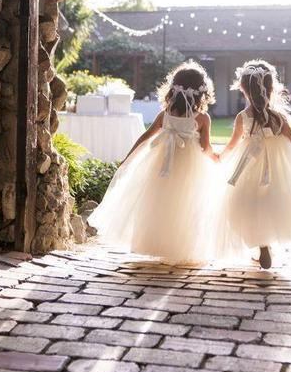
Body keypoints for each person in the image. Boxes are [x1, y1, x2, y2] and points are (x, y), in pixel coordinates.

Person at [89, 61, 219, 264]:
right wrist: (217, 158)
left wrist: (129, 157)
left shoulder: (165, 115)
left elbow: (146, 137)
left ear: (173, 89)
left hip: (161, 165)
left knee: (161, 204)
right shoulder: (202, 118)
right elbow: (205, 148)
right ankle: (182, 247)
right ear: (201, 92)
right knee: (186, 205)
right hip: (190, 168)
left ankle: (163, 243)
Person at [215, 60, 291, 269]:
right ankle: (266, 241)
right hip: (276, 166)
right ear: (270, 89)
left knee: (249, 201)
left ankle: (261, 245)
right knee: (272, 200)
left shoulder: (243, 117)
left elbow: (232, 145)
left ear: (244, 90)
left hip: (249, 164)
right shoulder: (278, 117)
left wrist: (220, 157)